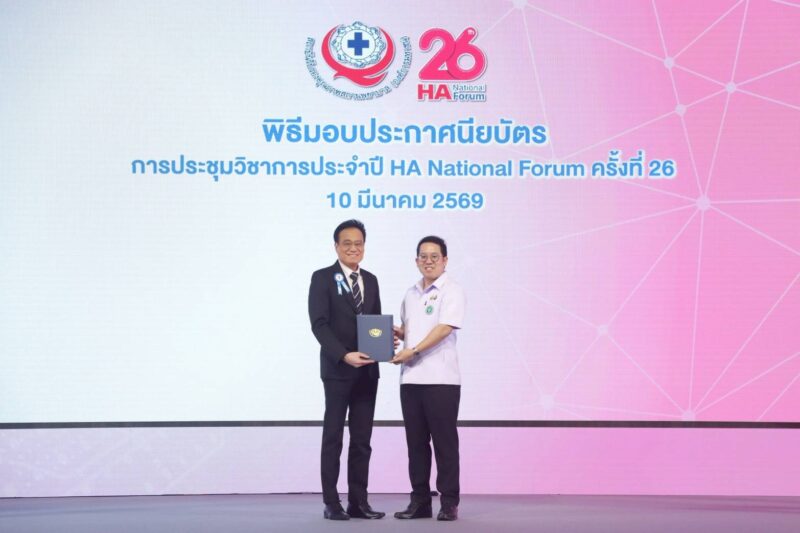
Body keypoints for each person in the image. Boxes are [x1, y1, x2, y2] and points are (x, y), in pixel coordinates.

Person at [308, 219, 385, 521]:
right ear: (337, 246)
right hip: (338, 370)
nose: (354, 248)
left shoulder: (372, 280)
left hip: (367, 371)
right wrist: (343, 355)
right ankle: (331, 502)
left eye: (359, 243)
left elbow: (374, 322)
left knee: (362, 440)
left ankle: (358, 502)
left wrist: (385, 341)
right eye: (347, 243)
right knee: (334, 437)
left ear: (364, 246)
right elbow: (319, 324)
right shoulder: (322, 278)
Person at [391, 235, 465, 522]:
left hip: (441, 380)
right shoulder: (410, 293)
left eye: (435, 256)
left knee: (444, 444)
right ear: (416, 260)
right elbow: (410, 329)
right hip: (411, 378)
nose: (429, 261)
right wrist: (393, 334)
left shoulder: (452, 290)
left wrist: (413, 349)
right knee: (416, 444)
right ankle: (420, 501)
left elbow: (444, 328)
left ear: (444, 260)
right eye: (423, 256)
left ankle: (449, 502)